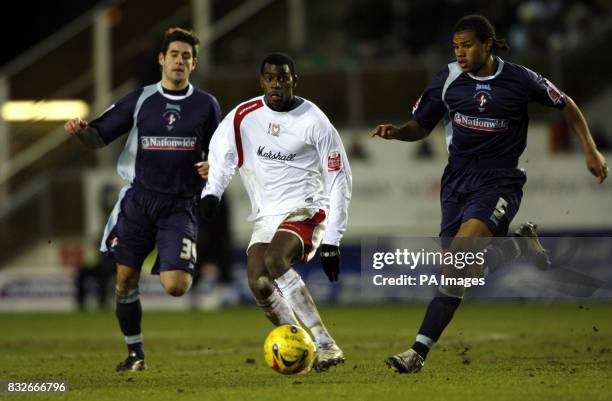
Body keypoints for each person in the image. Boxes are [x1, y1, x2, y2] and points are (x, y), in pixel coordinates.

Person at [370, 15, 608, 373]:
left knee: (456, 265)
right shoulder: (448, 78)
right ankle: (517, 245)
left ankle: (416, 353)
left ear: (488, 44)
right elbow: (420, 126)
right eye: (456, 46)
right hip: (457, 180)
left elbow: (566, 104)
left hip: (499, 180)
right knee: (467, 271)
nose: (460, 53)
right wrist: (397, 132)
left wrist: (590, 149)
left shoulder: (520, 79)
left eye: (467, 45)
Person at [64, 27, 220, 371]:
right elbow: (97, 137)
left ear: (194, 64)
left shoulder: (206, 105)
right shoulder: (140, 99)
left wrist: (215, 166)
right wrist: (80, 133)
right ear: (162, 59)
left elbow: (222, 154)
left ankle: (167, 263)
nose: (180, 61)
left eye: (187, 56)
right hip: (139, 201)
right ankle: (135, 354)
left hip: (179, 205)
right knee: (124, 280)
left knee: (177, 286)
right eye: (175, 55)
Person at [200, 53, 352, 371]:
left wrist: (333, 238)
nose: (275, 84)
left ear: (294, 81)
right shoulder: (243, 116)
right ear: (261, 81)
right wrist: (212, 192)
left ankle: (327, 344)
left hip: (307, 208)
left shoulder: (315, 121)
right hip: (266, 216)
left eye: (282, 78)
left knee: (274, 259)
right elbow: (221, 154)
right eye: (269, 78)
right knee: (258, 281)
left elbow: (339, 178)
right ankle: (301, 346)